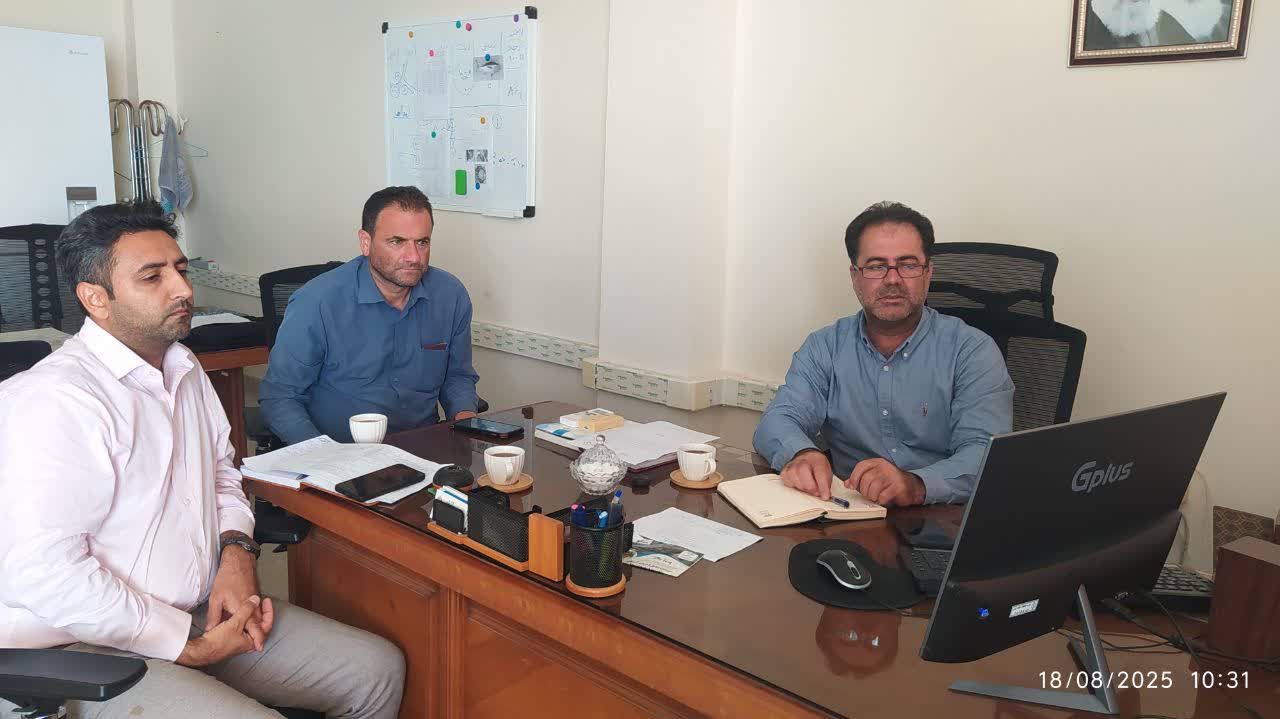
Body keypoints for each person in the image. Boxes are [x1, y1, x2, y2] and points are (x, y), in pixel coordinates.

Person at [0, 202, 405, 718]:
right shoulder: (52, 401)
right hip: (85, 648)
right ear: (95, 298)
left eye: (181, 269)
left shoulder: (184, 366)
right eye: (153, 277)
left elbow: (221, 474)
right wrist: (182, 643)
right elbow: (41, 571)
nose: (182, 289)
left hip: (201, 609)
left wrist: (237, 554)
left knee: (376, 670)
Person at [752, 201, 1013, 507]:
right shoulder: (825, 347)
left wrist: (916, 484)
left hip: (942, 518)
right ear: (855, 276)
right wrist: (802, 453)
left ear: (928, 273)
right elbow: (778, 419)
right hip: (849, 512)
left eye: (908, 265)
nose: (892, 279)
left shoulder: (972, 352)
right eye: (876, 266)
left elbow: (983, 454)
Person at [261, 186, 480, 444]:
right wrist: (322, 455)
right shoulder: (316, 302)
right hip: (338, 452)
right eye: (397, 242)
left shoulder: (450, 296)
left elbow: (457, 377)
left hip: (421, 450)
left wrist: (468, 426)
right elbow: (280, 397)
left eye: (422, 242)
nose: (413, 257)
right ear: (366, 242)